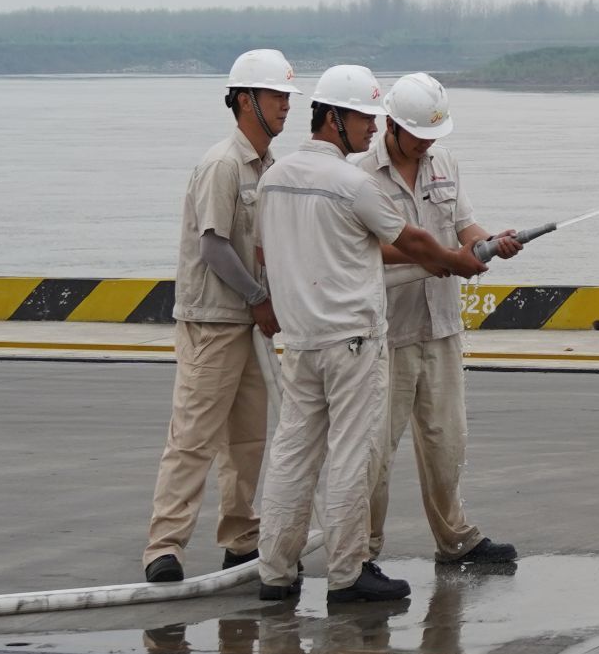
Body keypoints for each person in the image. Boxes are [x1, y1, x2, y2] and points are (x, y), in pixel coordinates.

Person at [252, 63, 486, 608]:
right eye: (363, 118)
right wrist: (454, 261)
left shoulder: (274, 178)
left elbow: (266, 253)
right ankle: (347, 572)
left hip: (301, 340)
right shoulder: (353, 182)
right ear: (333, 117)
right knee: (353, 456)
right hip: (353, 340)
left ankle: (275, 571)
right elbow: (413, 242)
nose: (370, 128)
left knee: (291, 455)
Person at [356, 72, 520, 570]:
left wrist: (491, 243)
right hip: (388, 332)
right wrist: (442, 259)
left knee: (447, 441)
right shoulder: (361, 174)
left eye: (433, 134)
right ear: (391, 125)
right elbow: (366, 248)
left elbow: (464, 226)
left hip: (442, 325)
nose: (426, 143)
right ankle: (362, 553)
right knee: (375, 451)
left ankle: (455, 540)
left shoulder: (444, 162)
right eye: (418, 135)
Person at [141, 49, 294, 584]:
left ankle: (241, 540)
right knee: (193, 438)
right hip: (214, 322)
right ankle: (164, 548)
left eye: (288, 98)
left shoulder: (268, 167)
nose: (286, 106)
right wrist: (258, 298)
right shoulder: (222, 165)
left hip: (248, 323)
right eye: (277, 96)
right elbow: (214, 247)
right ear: (245, 101)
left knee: (247, 441)